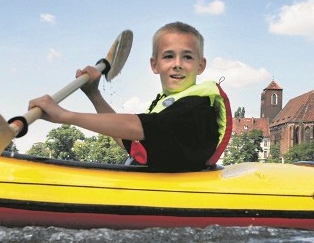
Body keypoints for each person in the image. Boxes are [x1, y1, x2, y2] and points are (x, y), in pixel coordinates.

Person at [29, 21, 232, 171]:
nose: (177, 63)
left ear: (200, 65)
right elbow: (125, 136)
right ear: (155, 65)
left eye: (187, 57)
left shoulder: (196, 107)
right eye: (169, 56)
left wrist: (65, 116)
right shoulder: (168, 107)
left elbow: (138, 127)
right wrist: (94, 94)